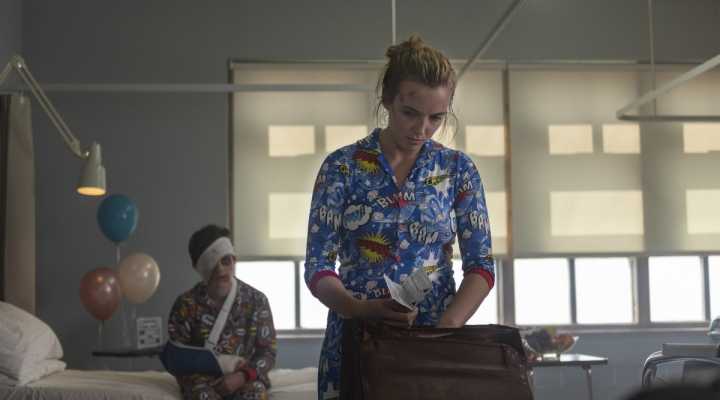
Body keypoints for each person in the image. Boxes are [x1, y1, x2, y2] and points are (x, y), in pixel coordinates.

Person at [304, 35, 495, 398]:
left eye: (436, 118)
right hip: (357, 342)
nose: (422, 129)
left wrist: (446, 328)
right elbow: (318, 266)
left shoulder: (457, 169)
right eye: (410, 113)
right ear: (387, 100)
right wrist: (357, 308)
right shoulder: (342, 167)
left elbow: (481, 266)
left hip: (434, 346)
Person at [167, 224, 277, 400]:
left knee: (255, 394)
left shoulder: (257, 301)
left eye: (226, 261)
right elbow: (177, 357)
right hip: (201, 383)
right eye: (211, 264)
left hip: (245, 378)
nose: (220, 270)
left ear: (234, 260)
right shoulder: (185, 305)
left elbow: (268, 352)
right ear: (199, 268)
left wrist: (242, 376)